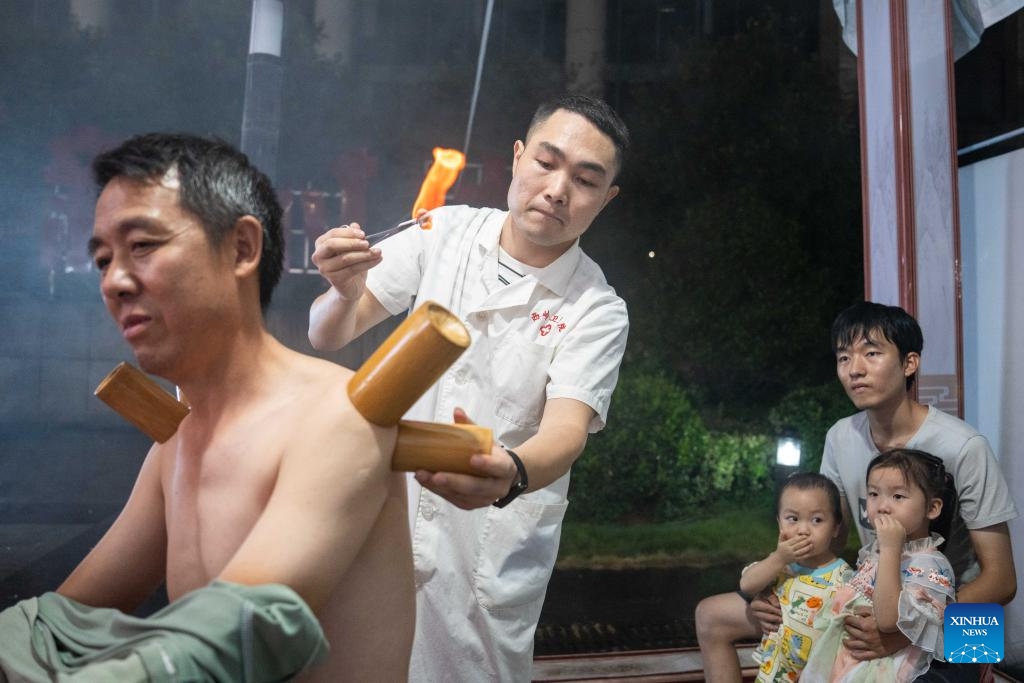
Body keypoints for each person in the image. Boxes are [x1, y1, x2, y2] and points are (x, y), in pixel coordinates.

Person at [46, 133, 413, 681]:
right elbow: (65, 623)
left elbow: (230, 635)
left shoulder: (335, 417)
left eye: (142, 245)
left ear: (242, 247)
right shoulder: (176, 441)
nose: (114, 282)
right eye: (103, 259)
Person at [307, 93, 630, 681]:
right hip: (384, 518)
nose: (558, 189)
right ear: (516, 157)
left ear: (605, 200)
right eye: (546, 162)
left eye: (584, 180)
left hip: (486, 547)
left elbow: (566, 429)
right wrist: (343, 288)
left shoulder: (597, 308)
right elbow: (330, 332)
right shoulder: (444, 231)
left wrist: (511, 471)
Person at [695, 301, 1017, 682]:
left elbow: (1002, 581)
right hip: (875, 593)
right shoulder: (841, 437)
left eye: (872, 353)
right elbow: (829, 539)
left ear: (909, 363)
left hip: (956, 611)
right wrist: (775, 588)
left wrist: (904, 630)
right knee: (711, 616)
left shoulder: (964, 446)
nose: (855, 369)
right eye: (844, 357)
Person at [802, 448, 955, 682]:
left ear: (932, 508)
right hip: (851, 656)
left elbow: (888, 620)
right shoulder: (875, 550)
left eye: (898, 496)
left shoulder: (931, 565)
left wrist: (891, 550)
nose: (882, 506)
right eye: (874, 494)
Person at [739, 473, 853, 682]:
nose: (803, 530)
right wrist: (779, 557)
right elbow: (747, 585)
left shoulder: (844, 578)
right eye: (792, 519)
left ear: (836, 527)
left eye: (817, 520)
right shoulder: (779, 566)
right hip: (771, 673)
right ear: (779, 523)